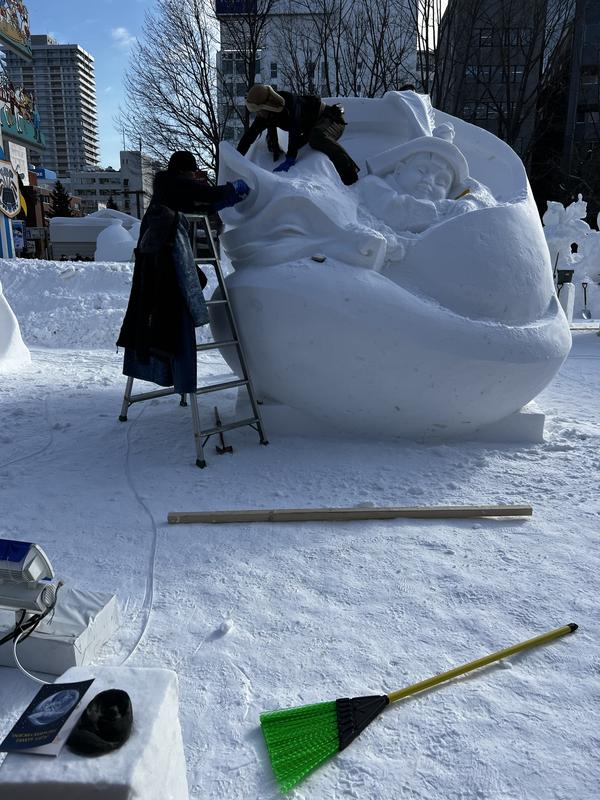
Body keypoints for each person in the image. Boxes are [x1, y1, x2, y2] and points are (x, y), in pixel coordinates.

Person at [116, 151, 250, 394]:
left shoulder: (167, 190)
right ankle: (180, 377)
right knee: (177, 311)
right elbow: (204, 194)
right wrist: (232, 190)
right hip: (164, 264)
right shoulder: (173, 184)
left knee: (190, 287)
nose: (192, 178)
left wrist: (215, 203)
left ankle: (171, 373)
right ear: (184, 172)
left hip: (154, 264)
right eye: (191, 174)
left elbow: (200, 200)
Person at [237, 84, 360, 186]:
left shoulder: (290, 102)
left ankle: (350, 173)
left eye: (258, 110)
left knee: (316, 137)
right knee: (297, 140)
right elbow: (248, 137)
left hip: (331, 120)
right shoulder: (265, 116)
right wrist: (236, 159)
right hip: (311, 127)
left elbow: (294, 128)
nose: (258, 114)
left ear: (266, 106)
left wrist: (290, 158)